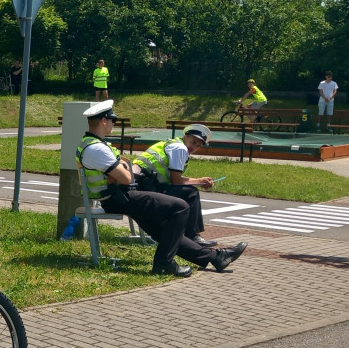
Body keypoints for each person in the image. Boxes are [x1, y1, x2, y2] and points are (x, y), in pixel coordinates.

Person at [77, 101, 246, 277]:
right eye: (112, 120)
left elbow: (124, 169)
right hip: (118, 198)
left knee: (165, 231)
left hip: (118, 197)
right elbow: (126, 178)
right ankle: (164, 263)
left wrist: (122, 168)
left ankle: (216, 257)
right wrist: (123, 168)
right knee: (181, 207)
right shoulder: (96, 148)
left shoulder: (94, 144)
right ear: (104, 121)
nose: (114, 123)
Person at [132, 124, 218, 247]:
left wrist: (199, 181)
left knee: (186, 191)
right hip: (145, 188)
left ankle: (181, 233)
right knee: (191, 192)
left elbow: (173, 179)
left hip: (139, 185)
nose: (194, 147)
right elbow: (176, 180)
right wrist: (200, 181)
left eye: (198, 145)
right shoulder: (180, 149)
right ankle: (192, 235)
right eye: (193, 142)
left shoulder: (171, 144)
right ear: (185, 137)